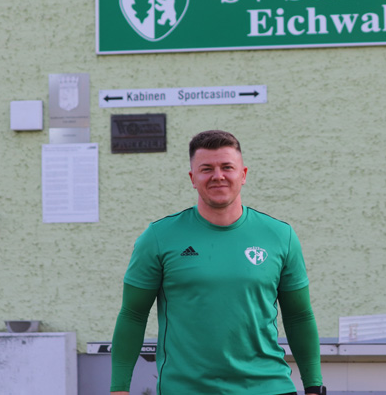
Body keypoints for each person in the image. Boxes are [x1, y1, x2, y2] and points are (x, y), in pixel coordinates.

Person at [110, 130, 324, 395]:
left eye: (227, 167)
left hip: (268, 387)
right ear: (193, 178)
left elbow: (299, 316)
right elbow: (133, 315)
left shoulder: (280, 236)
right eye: (206, 169)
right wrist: (119, 388)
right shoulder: (158, 238)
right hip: (186, 390)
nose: (218, 176)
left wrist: (313, 385)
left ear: (243, 174)